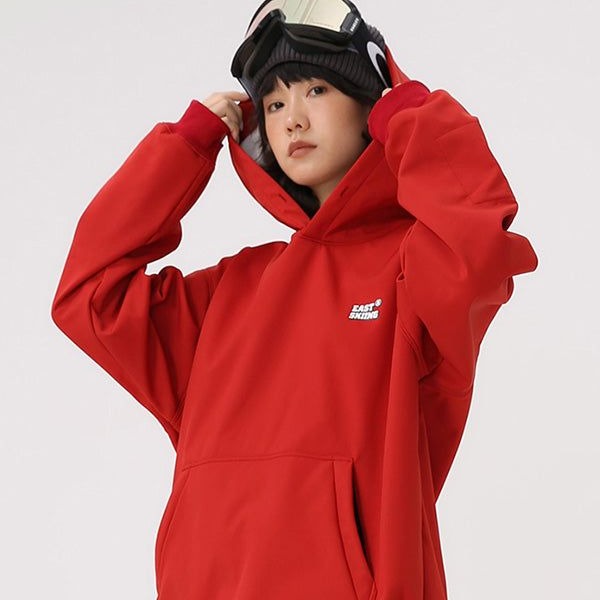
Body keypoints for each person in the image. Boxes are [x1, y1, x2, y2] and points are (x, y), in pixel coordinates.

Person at [51, 1, 539, 598]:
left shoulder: (412, 269)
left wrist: (411, 108)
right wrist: (185, 147)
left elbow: (479, 248)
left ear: (370, 106)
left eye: (316, 90)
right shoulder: (231, 290)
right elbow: (90, 294)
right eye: (275, 104)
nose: (293, 120)